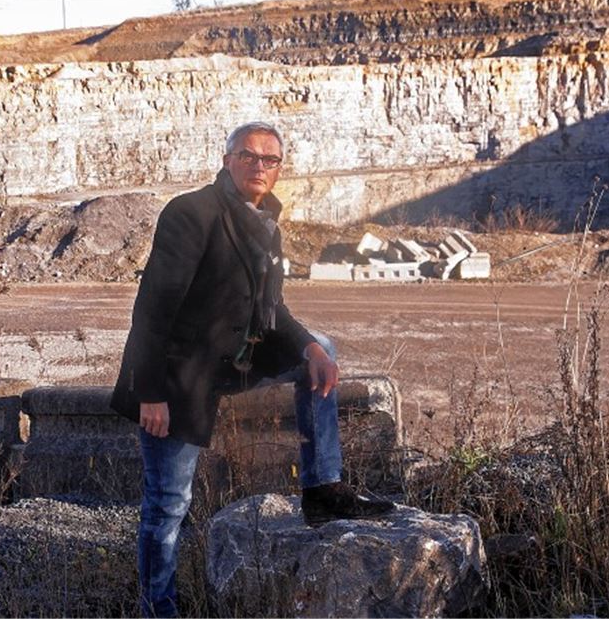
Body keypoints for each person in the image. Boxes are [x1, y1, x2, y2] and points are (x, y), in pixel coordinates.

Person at [110, 122, 395, 617]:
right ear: (226, 160)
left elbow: (274, 311)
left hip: (237, 359)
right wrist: (149, 393)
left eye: (270, 160)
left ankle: (323, 488)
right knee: (168, 504)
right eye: (248, 156)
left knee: (320, 348)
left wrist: (308, 348)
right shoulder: (190, 212)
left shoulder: (266, 221)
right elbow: (152, 308)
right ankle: (157, 608)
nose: (260, 166)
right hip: (181, 375)